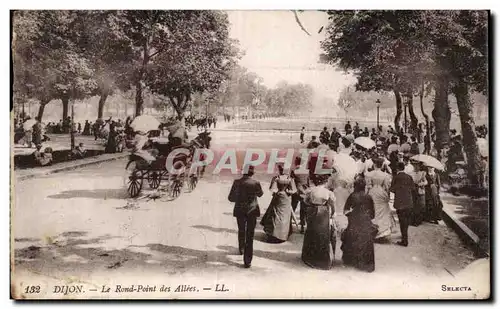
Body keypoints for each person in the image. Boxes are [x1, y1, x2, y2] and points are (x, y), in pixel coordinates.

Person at [228, 165, 264, 268]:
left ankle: (241, 248)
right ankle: (247, 261)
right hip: (252, 210)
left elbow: (231, 198)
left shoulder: (237, 182)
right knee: (250, 234)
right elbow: (260, 194)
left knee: (241, 229)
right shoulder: (256, 183)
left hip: (240, 210)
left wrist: (240, 199)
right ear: (252, 173)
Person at [301, 174, 336, 270]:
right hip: (323, 212)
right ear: (325, 182)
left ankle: (310, 257)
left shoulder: (310, 191)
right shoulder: (328, 192)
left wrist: (312, 206)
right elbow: (332, 205)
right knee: (323, 235)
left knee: (312, 233)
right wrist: (332, 214)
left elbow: (306, 201)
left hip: (313, 211)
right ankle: (322, 258)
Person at [341, 177, 375, 272]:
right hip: (365, 221)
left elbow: (346, 210)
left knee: (350, 236)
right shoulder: (368, 197)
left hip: (354, 221)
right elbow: (372, 214)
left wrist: (350, 215)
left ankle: (351, 260)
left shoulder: (352, 196)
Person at [261, 164, 296, 243]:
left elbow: (272, 189)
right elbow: (294, 190)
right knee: (285, 216)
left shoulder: (276, 178)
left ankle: (273, 234)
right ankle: (283, 235)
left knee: (275, 214)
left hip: (278, 197)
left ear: (280, 170)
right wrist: (287, 191)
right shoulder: (290, 179)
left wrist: (278, 192)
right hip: (286, 198)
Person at [365, 158, 393, 240]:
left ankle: (371, 229)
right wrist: (386, 196)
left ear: (374, 165)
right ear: (382, 165)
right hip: (381, 191)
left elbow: (368, 186)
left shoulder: (369, 174)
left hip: (372, 191)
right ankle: (382, 230)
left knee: (372, 209)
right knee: (383, 210)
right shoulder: (386, 175)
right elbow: (387, 187)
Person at [390, 162, 415, 247]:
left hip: (400, 203)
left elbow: (392, 189)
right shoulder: (409, 177)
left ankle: (404, 240)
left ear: (397, 169)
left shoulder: (396, 177)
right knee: (406, 220)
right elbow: (413, 188)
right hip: (408, 202)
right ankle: (404, 235)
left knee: (402, 220)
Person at [290, 157, 309, 234]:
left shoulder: (294, 171)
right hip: (304, 193)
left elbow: (291, 181)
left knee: (293, 208)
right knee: (303, 211)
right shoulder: (307, 171)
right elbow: (308, 182)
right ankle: (302, 227)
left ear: (296, 162)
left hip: (296, 192)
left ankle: (289, 226)